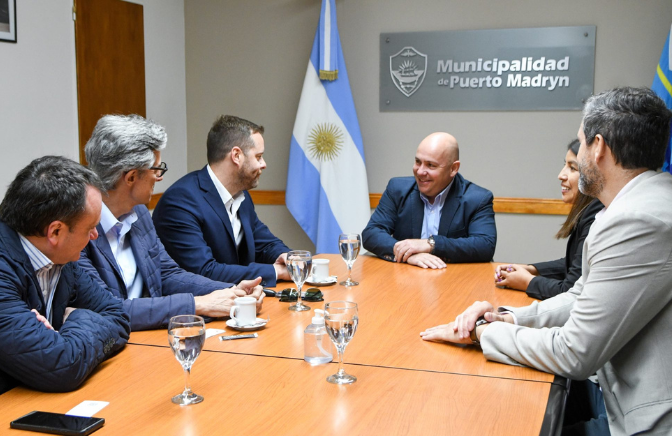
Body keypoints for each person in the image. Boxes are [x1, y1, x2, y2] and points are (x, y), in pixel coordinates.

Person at [421, 87, 672, 436]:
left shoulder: (637, 222)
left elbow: (575, 353)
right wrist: (505, 316)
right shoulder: (639, 205)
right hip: (618, 400)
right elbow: (580, 297)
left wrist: (483, 333)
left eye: (582, 143)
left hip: (640, 423)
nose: (577, 154)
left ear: (598, 147)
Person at [78, 115, 264, 331]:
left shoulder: (139, 214)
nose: (160, 177)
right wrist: (198, 304)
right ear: (130, 177)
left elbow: (166, 274)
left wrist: (232, 292)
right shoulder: (80, 229)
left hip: (150, 341)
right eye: (156, 169)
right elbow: (109, 308)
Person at [0, 156, 130, 395]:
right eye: (90, 227)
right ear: (56, 231)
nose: (94, 236)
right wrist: (83, 321)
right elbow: (62, 367)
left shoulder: (61, 257)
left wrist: (69, 329)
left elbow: (119, 318)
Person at [153, 115, 290, 287]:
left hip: (239, 301)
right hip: (198, 310)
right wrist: (276, 271)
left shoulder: (242, 196)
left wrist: (288, 258)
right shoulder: (181, 201)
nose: (263, 164)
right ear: (236, 156)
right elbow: (204, 271)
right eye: (258, 156)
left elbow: (264, 243)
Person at [362, 132, 496, 269]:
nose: (420, 171)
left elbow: (484, 245)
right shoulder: (397, 189)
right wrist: (409, 254)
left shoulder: (477, 198)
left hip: (454, 279)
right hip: (406, 279)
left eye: (431, 165)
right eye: (418, 162)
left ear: (453, 169)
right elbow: (371, 233)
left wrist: (430, 244)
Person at [494, 139, 603, 300]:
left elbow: (569, 291)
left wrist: (527, 281)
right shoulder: (590, 208)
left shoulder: (596, 212)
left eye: (572, 168)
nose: (561, 175)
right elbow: (574, 263)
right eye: (564, 165)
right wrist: (531, 269)